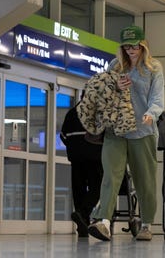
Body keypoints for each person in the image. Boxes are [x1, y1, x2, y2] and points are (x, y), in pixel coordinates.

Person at [88, 25, 164, 242]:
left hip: (144, 131)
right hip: (117, 130)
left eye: (136, 47)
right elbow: (103, 92)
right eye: (127, 47)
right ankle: (103, 222)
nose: (131, 51)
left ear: (143, 46)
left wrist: (152, 114)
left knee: (145, 180)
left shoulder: (154, 67)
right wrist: (117, 86)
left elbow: (157, 98)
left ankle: (147, 224)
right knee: (111, 176)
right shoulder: (115, 66)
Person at [60, 102, 103, 237]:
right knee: (98, 187)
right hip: (94, 156)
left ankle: (82, 224)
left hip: (75, 157)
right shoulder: (99, 113)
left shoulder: (72, 113)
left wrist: (75, 146)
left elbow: (63, 136)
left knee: (78, 188)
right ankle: (83, 213)